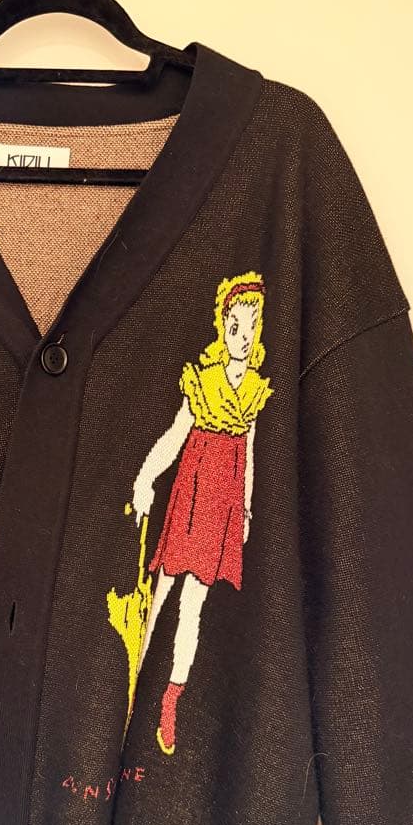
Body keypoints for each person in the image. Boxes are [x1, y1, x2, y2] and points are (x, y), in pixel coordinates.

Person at [130, 271, 274, 755]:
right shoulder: (204, 382)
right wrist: (145, 478)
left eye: (250, 327)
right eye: (234, 326)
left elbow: (248, 454)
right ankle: (131, 688)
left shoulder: (254, 391)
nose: (242, 336)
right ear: (222, 328)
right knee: (161, 595)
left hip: (222, 508)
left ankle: (170, 701)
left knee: (192, 608)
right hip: (190, 499)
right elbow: (175, 436)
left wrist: (246, 509)